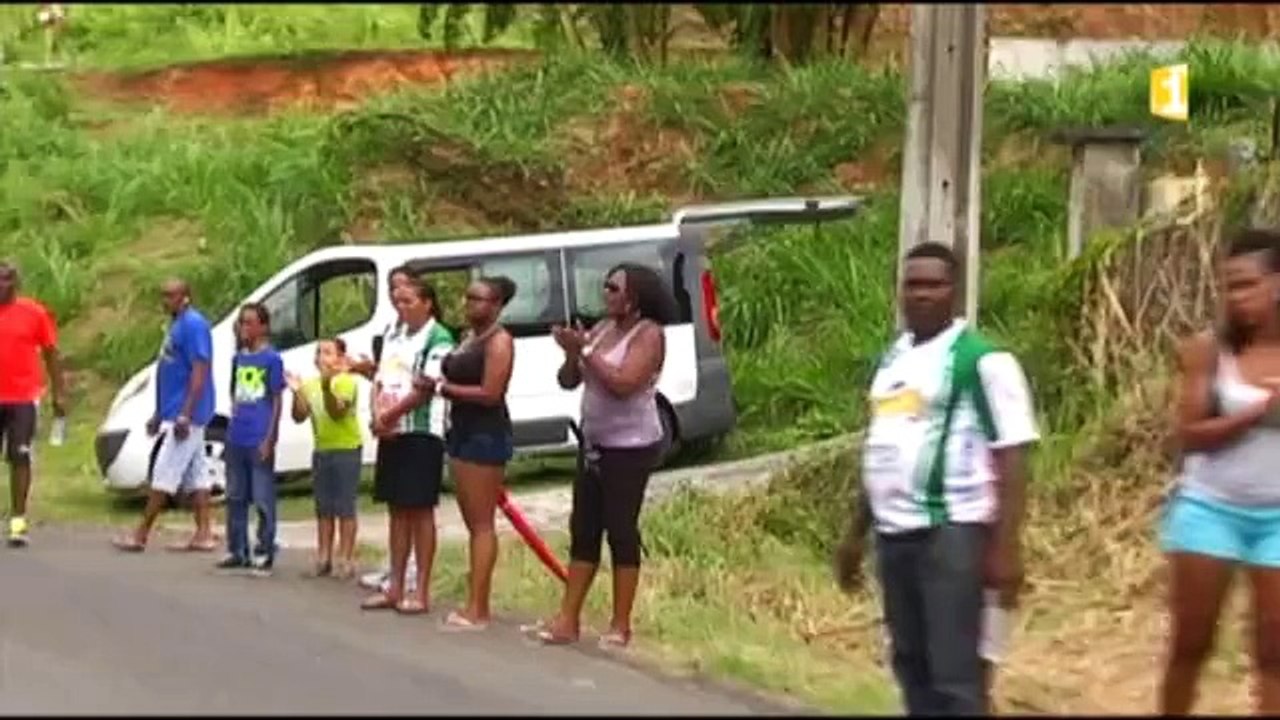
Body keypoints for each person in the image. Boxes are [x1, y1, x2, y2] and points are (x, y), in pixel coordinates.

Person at [834, 242, 1038, 716]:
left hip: (952, 533)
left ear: (955, 292)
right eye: (912, 284)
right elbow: (883, 448)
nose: (921, 294)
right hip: (893, 536)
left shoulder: (982, 361)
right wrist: (854, 535)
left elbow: (1012, 455)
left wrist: (1007, 549)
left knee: (956, 675)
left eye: (934, 284)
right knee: (911, 665)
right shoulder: (892, 361)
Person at [1159, 229, 1280, 715]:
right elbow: (1188, 433)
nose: (1236, 296)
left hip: (1276, 515)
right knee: (1191, 644)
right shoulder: (1209, 350)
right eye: (1228, 286)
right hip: (1210, 508)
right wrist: (1257, 413)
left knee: (1273, 652)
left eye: (1247, 284)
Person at [529, 263, 677, 648]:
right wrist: (570, 354)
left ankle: (621, 624)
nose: (606, 294)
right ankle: (567, 619)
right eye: (606, 287)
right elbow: (569, 380)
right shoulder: (602, 328)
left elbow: (625, 383)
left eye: (613, 288)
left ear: (634, 297)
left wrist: (587, 351)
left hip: (630, 448)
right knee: (584, 530)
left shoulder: (649, 335)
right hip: (593, 443)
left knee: (621, 529)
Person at [361, 276, 454, 614]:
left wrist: (391, 415)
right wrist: (377, 414)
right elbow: (382, 377)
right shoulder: (392, 334)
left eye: (409, 301)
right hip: (391, 429)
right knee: (397, 508)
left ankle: (421, 590)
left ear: (427, 303)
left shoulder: (438, 336)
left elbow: (425, 387)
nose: (402, 308)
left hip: (420, 430)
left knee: (419, 510)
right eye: (398, 302)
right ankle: (395, 584)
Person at [435, 276, 517, 631]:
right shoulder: (469, 338)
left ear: (496, 304)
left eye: (478, 300)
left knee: (482, 524)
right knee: (472, 521)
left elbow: (490, 393)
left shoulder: (500, 342)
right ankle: (474, 601)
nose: (470, 305)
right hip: (461, 431)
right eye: (468, 298)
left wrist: (443, 388)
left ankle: (478, 607)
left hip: (485, 434)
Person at [113, 279, 218, 553]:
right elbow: (171, 372)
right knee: (197, 475)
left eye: (171, 296)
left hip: (188, 414)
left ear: (186, 297)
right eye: (163, 296)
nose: (165, 301)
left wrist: (185, 413)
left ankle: (141, 534)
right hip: (173, 410)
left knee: (164, 473)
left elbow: (200, 369)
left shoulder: (194, 325)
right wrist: (160, 413)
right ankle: (204, 533)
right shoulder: (176, 325)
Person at [0, 261, 67, 547]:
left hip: (23, 398)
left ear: (16, 283)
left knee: (20, 456)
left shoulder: (34, 313)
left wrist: (59, 393)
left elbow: (52, 353)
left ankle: (18, 520)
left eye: (6, 280)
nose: (1, 285)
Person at [216, 303, 284, 575]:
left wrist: (270, 437)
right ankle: (237, 548)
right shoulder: (239, 358)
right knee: (235, 495)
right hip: (237, 435)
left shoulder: (272, 360)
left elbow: (277, 400)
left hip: (259, 435)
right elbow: (235, 391)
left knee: (262, 496)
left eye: (250, 323)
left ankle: (265, 548)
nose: (245, 328)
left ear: (263, 327)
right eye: (242, 323)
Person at [287, 337, 363, 579]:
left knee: (345, 506)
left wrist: (327, 386)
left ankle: (346, 558)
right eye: (319, 352)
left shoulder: (346, 382)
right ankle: (323, 556)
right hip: (322, 449)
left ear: (340, 358)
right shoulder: (311, 385)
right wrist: (297, 391)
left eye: (328, 352)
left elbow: (337, 412)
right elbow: (298, 415)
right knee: (324, 507)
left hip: (347, 448)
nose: (322, 357)